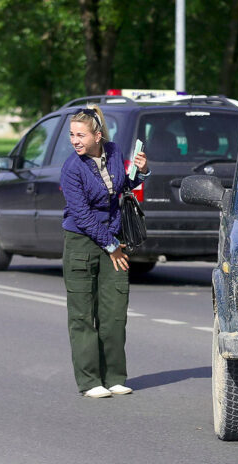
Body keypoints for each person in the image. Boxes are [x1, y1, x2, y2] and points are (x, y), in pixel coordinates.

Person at [60, 105, 150, 398]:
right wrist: (111, 247)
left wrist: (142, 170)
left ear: (97, 136)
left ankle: (114, 377)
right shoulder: (72, 168)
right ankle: (89, 381)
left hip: (114, 240)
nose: (75, 140)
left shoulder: (111, 152)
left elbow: (122, 187)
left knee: (113, 314)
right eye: (72, 135)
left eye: (81, 135)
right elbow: (82, 215)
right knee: (83, 316)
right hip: (82, 243)